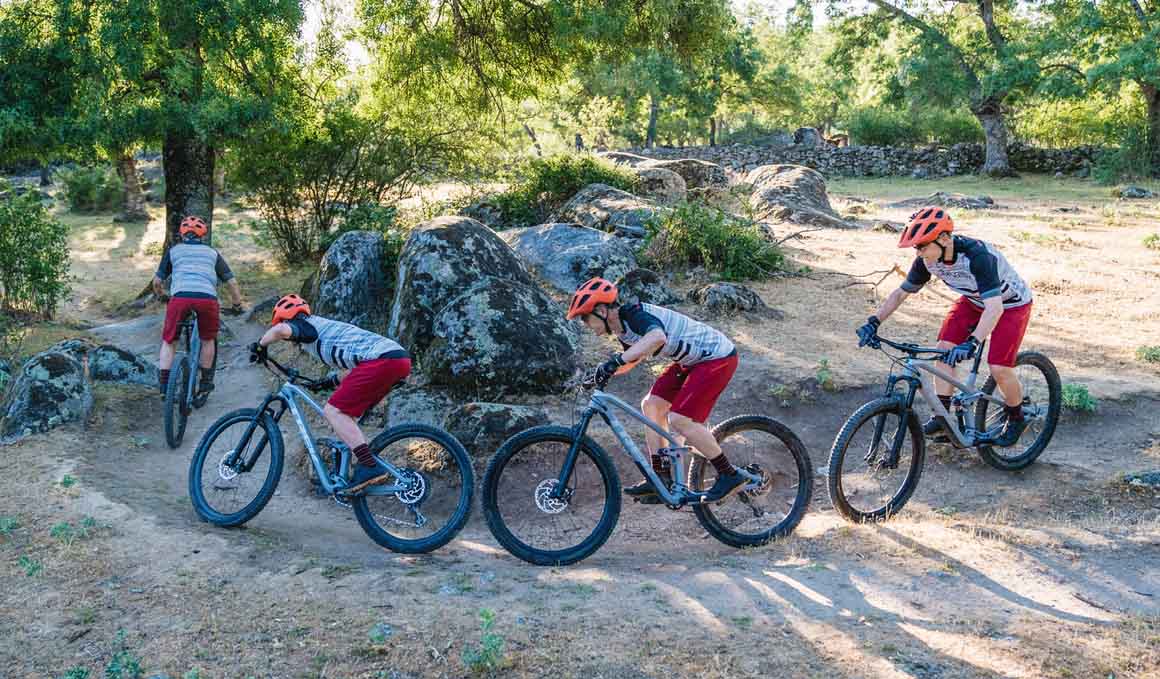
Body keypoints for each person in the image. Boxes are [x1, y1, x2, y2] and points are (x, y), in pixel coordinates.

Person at [857, 207, 1034, 447]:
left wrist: (972, 342)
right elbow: (901, 293)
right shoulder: (927, 260)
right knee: (944, 349)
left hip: (1011, 304)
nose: (918, 253)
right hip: (974, 301)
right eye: (915, 248)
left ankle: (1017, 416)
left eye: (922, 246)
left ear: (944, 239)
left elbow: (995, 309)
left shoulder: (977, 256)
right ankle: (943, 416)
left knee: (999, 367)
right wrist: (873, 321)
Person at [565, 278, 745, 502]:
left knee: (680, 420)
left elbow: (657, 337)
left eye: (586, 318)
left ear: (601, 310)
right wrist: (604, 371)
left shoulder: (634, 314)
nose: (586, 325)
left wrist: (616, 360)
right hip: (691, 361)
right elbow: (633, 358)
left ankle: (729, 474)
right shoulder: (623, 329)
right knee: (651, 405)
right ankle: (660, 477)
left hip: (717, 356)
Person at [250, 294, 411, 493]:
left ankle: (369, 466)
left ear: (287, 318)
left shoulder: (305, 326)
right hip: (396, 360)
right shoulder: (323, 329)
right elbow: (359, 366)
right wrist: (328, 381)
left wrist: (260, 345)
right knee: (345, 418)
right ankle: (348, 472)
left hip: (384, 361)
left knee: (334, 412)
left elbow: (282, 330)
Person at [153, 215, 244, 399]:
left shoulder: (174, 251)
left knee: (169, 341)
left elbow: (156, 282)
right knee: (208, 339)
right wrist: (237, 304)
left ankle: (164, 385)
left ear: (182, 233)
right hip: (207, 299)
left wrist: (162, 295)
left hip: (180, 299)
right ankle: (205, 383)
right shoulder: (212, 253)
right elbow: (232, 283)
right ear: (203, 234)